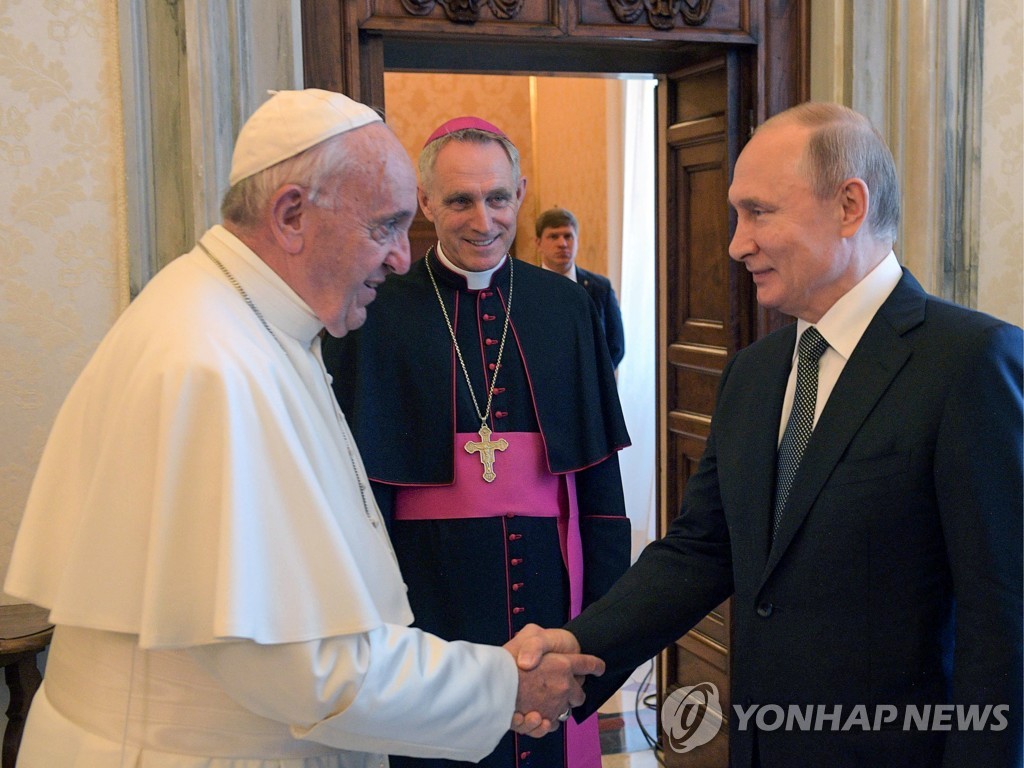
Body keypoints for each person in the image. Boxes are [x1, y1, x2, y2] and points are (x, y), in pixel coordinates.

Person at [3, 89, 605, 767]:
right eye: (385, 227)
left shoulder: (239, 322)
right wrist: (504, 683)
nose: (403, 259)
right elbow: (309, 672)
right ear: (291, 214)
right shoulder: (215, 365)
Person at [558, 102, 1024, 767]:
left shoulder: (970, 362)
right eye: (736, 216)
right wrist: (578, 650)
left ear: (849, 206)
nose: (736, 243)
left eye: (760, 212)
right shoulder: (754, 372)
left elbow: (1003, 618)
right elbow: (701, 549)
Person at [322, 116, 632, 768]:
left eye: (497, 198)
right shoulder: (379, 307)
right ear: (426, 202)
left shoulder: (566, 306)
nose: (482, 219)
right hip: (426, 589)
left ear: (519, 192)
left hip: (547, 583)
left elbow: (600, 478)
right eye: (460, 201)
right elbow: (357, 489)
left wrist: (608, 616)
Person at [536, 206, 625, 368]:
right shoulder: (525, 288)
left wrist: (596, 381)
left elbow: (616, 345)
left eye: (568, 236)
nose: (562, 244)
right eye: (553, 236)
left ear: (577, 241)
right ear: (538, 243)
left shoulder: (600, 288)